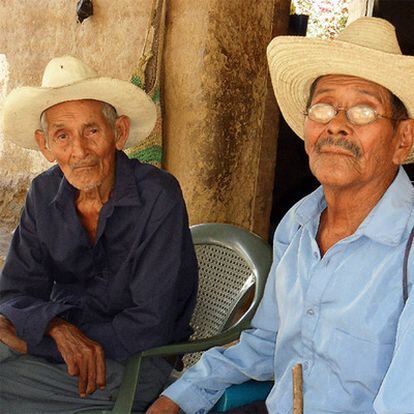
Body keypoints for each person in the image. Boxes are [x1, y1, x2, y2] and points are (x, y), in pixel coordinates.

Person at [147, 17, 414, 414]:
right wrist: (179, 397)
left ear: (402, 139)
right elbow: (265, 342)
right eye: (323, 107)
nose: (337, 125)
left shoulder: (408, 247)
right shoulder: (298, 225)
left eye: (362, 110)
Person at [0, 55, 198, 413]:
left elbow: (150, 324)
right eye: (63, 136)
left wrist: (37, 343)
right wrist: (57, 329)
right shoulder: (43, 194)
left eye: (92, 131)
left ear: (118, 133)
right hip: (63, 343)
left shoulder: (159, 196)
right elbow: (13, 292)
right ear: (45, 146)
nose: (80, 152)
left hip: (136, 360)